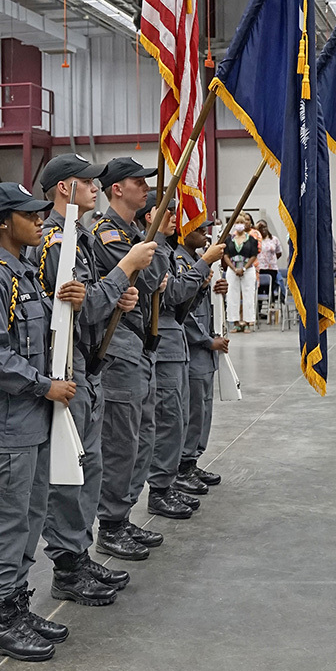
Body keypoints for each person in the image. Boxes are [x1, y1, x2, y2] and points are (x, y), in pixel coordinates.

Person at [36, 154, 158, 607]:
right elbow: (82, 308)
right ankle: (67, 567)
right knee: (69, 479)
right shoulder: (56, 241)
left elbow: (92, 299)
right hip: (66, 371)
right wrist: (123, 271)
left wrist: (116, 296)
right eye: (87, 181)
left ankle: (79, 555)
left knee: (89, 470)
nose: (95, 187)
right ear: (65, 188)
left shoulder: (79, 236)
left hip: (88, 367)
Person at [0, 181, 80, 663]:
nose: (38, 220)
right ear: (2, 225)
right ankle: (0, 622)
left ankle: (17, 606)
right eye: (28, 214)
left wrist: (71, 301)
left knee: (30, 520)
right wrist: (43, 385)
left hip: (30, 421)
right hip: (5, 424)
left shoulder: (26, 274)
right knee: (7, 524)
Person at [91, 157, 168, 561]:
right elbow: (153, 280)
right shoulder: (107, 233)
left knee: (142, 436)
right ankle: (110, 523)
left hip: (139, 345)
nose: (146, 188)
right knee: (121, 441)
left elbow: (156, 277)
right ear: (117, 189)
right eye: (139, 182)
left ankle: (121, 516)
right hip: (119, 346)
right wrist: (153, 267)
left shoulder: (136, 233)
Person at [138, 192, 224, 520]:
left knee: (181, 417)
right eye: (169, 212)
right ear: (150, 216)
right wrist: (203, 266)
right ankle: (161, 487)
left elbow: (178, 302)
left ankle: (172, 477)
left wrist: (201, 286)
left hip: (176, 342)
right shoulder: (152, 250)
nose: (175, 218)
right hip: (162, 344)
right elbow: (171, 293)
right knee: (167, 420)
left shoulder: (164, 252)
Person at [178, 221, 229, 492]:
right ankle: (182, 466)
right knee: (192, 409)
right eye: (198, 228)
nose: (204, 233)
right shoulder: (179, 261)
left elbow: (201, 303)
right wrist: (207, 340)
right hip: (193, 346)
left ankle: (192, 461)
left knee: (203, 408)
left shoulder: (196, 260)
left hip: (204, 348)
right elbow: (181, 313)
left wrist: (217, 292)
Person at [223, 218, 258, 332]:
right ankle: (235, 323)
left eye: (241, 223)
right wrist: (234, 269)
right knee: (232, 295)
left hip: (248, 269)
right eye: (237, 222)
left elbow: (254, 255)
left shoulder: (252, 240)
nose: (239, 225)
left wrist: (244, 268)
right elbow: (226, 255)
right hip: (232, 269)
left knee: (248, 295)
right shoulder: (229, 240)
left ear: (245, 224)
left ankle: (247, 323)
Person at [255, 219, 283, 310]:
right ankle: (258, 311)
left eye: (264, 226)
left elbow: (279, 252)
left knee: (269, 288)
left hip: (271, 268)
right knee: (260, 289)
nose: (263, 229)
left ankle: (271, 308)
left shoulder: (274, 239)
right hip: (260, 268)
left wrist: (271, 259)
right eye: (260, 227)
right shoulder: (256, 239)